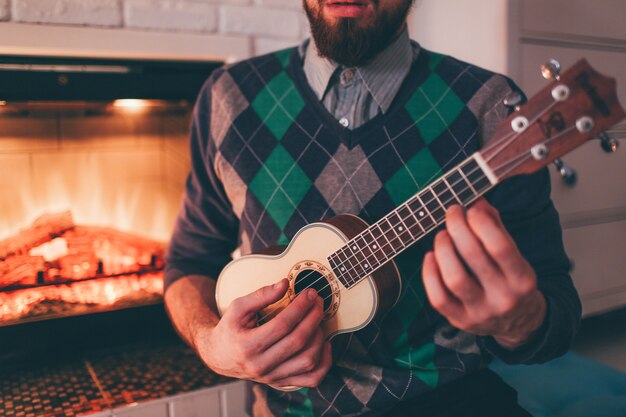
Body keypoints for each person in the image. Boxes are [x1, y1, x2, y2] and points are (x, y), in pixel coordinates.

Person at [164, 1, 581, 416]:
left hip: (453, 402)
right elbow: (189, 260)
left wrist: (520, 321)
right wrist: (212, 345)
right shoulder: (227, 96)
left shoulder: (491, 106)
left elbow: (558, 311)